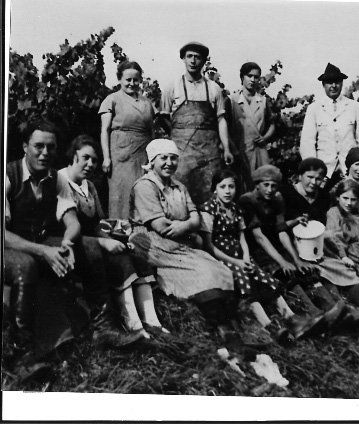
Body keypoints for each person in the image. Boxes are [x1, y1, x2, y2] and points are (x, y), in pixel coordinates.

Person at [59, 135, 167, 340]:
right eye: (85, 158)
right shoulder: (61, 181)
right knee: (120, 261)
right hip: (72, 244)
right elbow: (64, 226)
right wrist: (103, 242)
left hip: (94, 241)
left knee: (133, 255)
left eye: (94, 160)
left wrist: (115, 240)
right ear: (73, 155)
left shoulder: (89, 186)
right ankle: (133, 323)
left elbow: (97, 223)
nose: (90, 164)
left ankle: (152, 322)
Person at [128, 138, 235, 323]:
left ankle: (225, 323)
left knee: (219, 269)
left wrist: (184, 226)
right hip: (152, 244)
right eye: (163, 158)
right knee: (204, 272)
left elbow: (195, 217)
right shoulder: (144, 186)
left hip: (178, 242)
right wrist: (188, 225)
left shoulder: (179, 187)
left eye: (173, 158)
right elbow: (162, 227)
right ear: (152, 161)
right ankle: (218, 323)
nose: (169, 163)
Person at [4, 119, 81, 359]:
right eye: (38, 146)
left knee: (85, 246)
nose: (45, 153)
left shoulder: (57, 178)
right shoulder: (8, 175)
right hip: (8, 248)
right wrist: (43, 251)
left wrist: (68, 241)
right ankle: (22, 354)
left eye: (51, 147)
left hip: (35, 245)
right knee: (25, 265)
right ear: (25, 147)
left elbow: (72, 222)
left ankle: (102, 327)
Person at [199, 169, 296, 331]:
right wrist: (236, 262)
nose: (227, 191)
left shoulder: (236, 209)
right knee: (243, 278)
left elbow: (241, 236)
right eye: (223, 187)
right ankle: (267, 324)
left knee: (261, 275)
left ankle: (290, 317)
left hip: (240, 255)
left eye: (231, 187)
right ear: (215, 189)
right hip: (221, 257)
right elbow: (209, 246)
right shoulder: (208, 210)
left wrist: (245, 257)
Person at [277, 159, 359, 308]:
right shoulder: (285, 194)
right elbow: (280, 229)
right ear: (300, 176)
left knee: (343, 269)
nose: (313, 182)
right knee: (313, 275)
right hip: (291, 246)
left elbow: (328, 224)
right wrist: (296, 258)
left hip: (319, 245)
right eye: (309, 177)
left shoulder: (323, 197)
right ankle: (337, 311)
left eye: (318, 179)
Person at [159, 42, 234, 207]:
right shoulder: (172, 87)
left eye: (198, 57)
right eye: (189, 56)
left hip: (209, 154)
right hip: (182, 154)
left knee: (210, 195)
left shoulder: (214, 89)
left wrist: (227, 148)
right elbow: (164, 118)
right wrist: (180, 137)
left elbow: (221, 120)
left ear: (204, 61)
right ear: (183, 59)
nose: (193, 61)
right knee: (180, 196)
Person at [299, 63, 359, 190]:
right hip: (324, 171)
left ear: (342, 83)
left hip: (349, 169)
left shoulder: (353, 106)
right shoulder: (314, 108)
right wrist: (313, 171)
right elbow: (307, 142)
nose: (333, 86)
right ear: (323, 85)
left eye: (337, 82)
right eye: (329, 82)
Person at [99, 61, 155, 219]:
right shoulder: (112, 99)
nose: (132, 83)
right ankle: (119, 229)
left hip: (143, 154)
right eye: (128, 80)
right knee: (121, 194)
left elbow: (151, 131)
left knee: (143, 192)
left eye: (135, 80)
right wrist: (106, 158)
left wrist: (153, 157)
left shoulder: (146, 102)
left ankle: (141, 231)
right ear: (120, 79)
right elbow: (104, 130)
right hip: (120, 155)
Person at [228, 62, 276, 191]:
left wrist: (265, 138)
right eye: (249, 76)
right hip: (240, 151)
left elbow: (272, 124)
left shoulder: (263, 101)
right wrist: (232, 149)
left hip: (259, 150)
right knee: (241, 186)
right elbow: (225, 127)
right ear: (242, 77)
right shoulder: (232, 100)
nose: (253, 80)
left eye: (256, 77)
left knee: (262, 185)